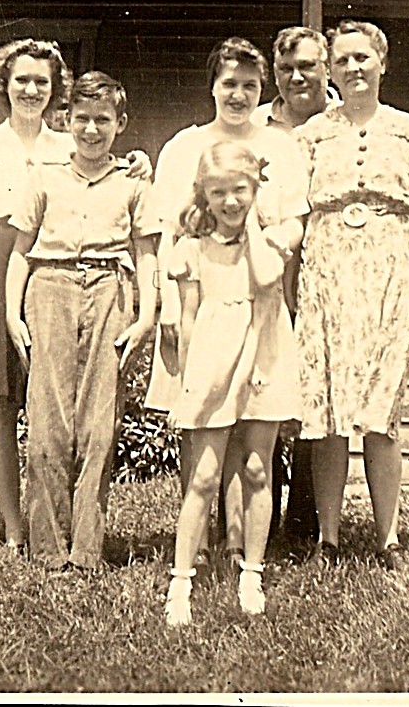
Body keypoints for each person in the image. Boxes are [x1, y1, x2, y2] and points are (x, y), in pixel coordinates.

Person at [0, 40, 148, 555]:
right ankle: (17, 525)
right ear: (4, 85)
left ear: (56, 90)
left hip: (51, 269)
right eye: (22, 80)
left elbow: (102, 171)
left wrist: (140, 164)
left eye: (42, 81)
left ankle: (71, 529)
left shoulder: (66, 143)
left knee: (58, 400)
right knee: (2, 398)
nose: (31, 90)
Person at [294, 19, 409, 569]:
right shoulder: (311, 135)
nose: (353, 68)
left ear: (382, 62)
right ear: (331, 71)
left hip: (394, 273)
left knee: (382, 411)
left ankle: (388, 538)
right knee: (329, 409)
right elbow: (289, 212)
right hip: (327, 273)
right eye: (342, 60)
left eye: (362, 57)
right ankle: (329, 538)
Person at [145, 37, 308, 576]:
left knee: (250, 422)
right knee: (201, 422)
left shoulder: (280, 145)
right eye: (229, 84)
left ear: (262, 90)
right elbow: (169, 233)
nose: (239, 95)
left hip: (258, 295)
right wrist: (170, 304)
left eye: (250, 86)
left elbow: (295, 219)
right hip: (200, 299)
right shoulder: (185, 146)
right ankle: (196, 543)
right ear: (212, 86)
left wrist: (270, 242)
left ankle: (239, 544)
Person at [5, 72, 159, 572]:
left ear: (120, 123)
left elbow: (147, 253)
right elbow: (20, 252)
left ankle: (87, 551)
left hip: (110, 289)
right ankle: (48, 551)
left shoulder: (133, 181)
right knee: (48, 421)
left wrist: (146, 315)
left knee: (98, 423)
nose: (92, 130)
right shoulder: (44, 177)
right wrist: (11, 312)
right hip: (49, 287)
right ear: (67, 119)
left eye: (103, 120)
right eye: (83, 119)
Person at [164, 142, 302, 626]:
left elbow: (265, 283)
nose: (230, 201)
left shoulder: (270, 246)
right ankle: (181, 582)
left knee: (258, 469)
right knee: (204, 476)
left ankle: (251, 574)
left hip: (263, 359)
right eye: (218, 192)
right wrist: (188, 382)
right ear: (203, 193)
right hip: (212, 363)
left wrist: (256, 225)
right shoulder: (191, 249)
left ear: (255, 189)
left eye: (240, 190)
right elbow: (188, 321)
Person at [251, 25, 340, 544]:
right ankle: (252, 517)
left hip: (329, 265)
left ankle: (305, 519)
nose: (297, 77)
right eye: (286, 69)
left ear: (325, 67)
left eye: (307, 66)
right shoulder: (257, 124)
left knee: (317, 387)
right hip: (270, 260)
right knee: (264, 384)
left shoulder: (346, 121)